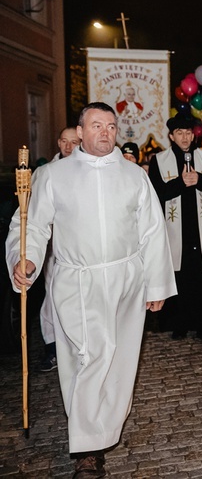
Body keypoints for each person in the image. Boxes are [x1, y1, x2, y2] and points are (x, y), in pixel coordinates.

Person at [5, 102, 176, 477]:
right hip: (76, 283)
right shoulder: (53, 175)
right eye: (96, 125)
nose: (105, 132)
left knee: (118, 362)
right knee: (87, 359)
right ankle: (88, 450)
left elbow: (152, 232)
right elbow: (31, 225)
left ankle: (104, 428)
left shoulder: (133, 176)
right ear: (79, 132)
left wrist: (157, 283)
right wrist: (27, 259)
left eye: (111, 126)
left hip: (125, 283)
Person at [148, 115, 202, 342]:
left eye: (188, 133)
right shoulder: (159, 160)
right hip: (174, 230)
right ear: (171, 136)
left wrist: (199, 180)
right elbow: (156, 194)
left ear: (194, 135)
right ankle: (178, 323)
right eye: (179, 133)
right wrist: (181, 183)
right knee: (178, 277)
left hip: (201, 228)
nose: (185, 137)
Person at [37, 127, 82, 371]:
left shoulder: (87, 171)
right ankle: (52, 347)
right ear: (58, 143)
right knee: (53, 295)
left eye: (73, 142)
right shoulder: (45, 173)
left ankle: (77, 347)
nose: (68, 147)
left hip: (81, 247)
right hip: (54, 247)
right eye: (64, 142)